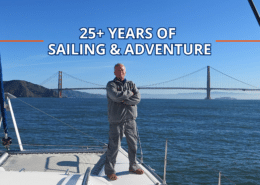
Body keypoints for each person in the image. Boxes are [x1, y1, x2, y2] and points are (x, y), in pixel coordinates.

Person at [105, 63, 144, 180]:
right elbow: (115, 96)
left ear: (125, 72)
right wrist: (129, 93)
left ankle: (133, 166)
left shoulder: (131, 84)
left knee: (133, 145)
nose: (120, 72)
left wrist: (124, 100)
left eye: (122, 70)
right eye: (118, 70)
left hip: (131, 120)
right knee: (114, 147)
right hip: (116, 121)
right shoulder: (110, 84)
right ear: (114, 72)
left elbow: (138, 98)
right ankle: (110, 171)